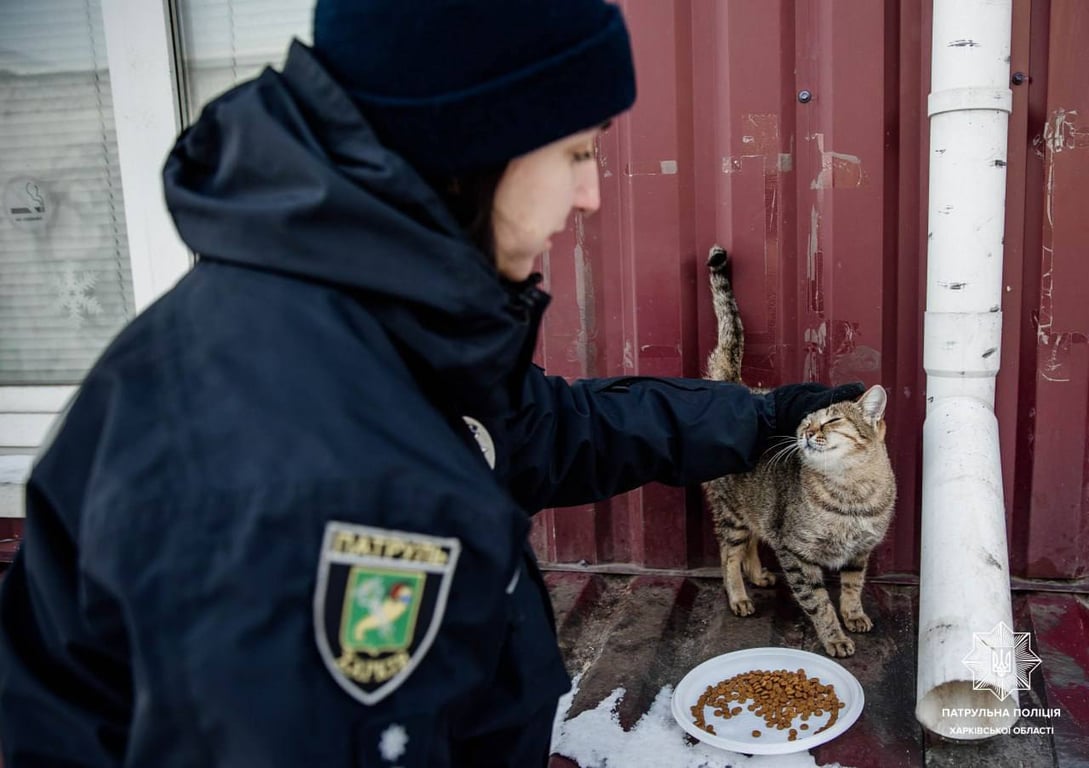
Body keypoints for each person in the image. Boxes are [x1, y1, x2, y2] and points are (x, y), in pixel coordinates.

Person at [0, 1, 863, 765]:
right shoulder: (297, 470)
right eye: (575, 152)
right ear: (470, 144)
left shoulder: (359, 316)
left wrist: (765, 416)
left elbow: (544, 430)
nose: (592, 194)